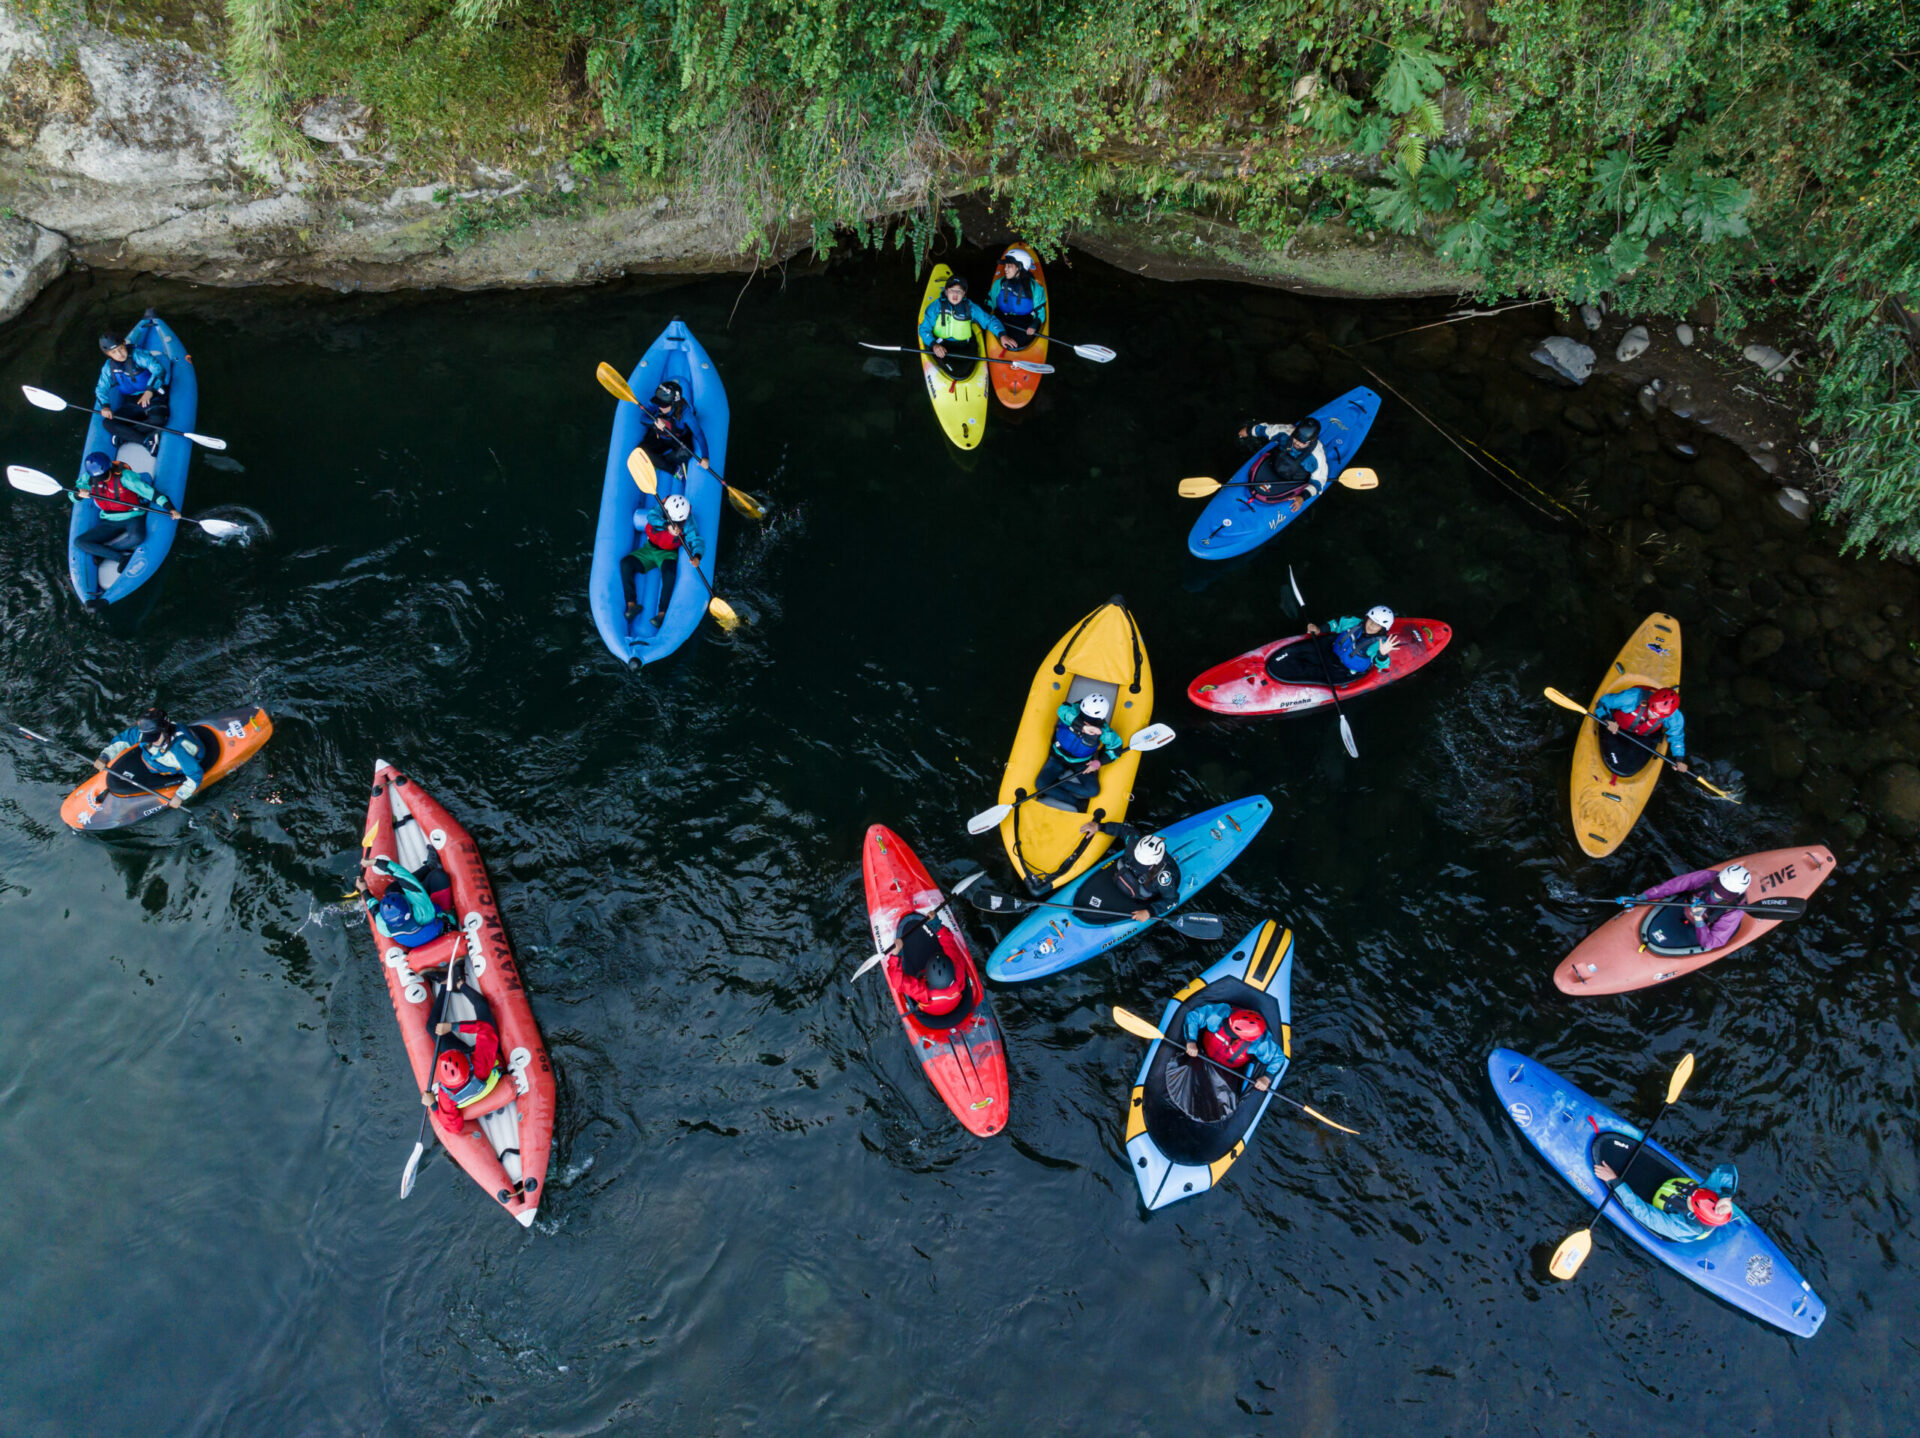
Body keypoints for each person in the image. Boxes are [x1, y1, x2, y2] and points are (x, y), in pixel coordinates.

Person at [70, 450, 178, 611]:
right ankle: (120, 558)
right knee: (79, 542)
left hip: (132, 515)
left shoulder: (125, 477)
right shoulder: (90, 477)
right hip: (109, 519)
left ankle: (103, 551)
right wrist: (78, 495)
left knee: (138, 536)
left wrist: (170, 508)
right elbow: (73, 495)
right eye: (95, 478)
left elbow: (151, 493)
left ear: (108, 470)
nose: (97, 481)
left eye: (100, 477)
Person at [1592, 1155, 1739, 1242]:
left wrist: (1615, 1181)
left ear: (1695, 1213)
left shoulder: (1681, 1227)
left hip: (1658, 1206)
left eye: (1690, 1199)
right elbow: (1727, 1169)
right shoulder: (1713, 1194)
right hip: (1668, 1186)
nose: (1690, 1194)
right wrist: (1726, 1195)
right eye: (1695, 1192)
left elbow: (1643, 1213)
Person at [427, 977, 504, 1135]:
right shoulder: (481, 1062)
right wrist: (453, 1027)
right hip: (483, 1064)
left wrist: (433, 1105)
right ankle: (459, 983)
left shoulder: (446, 1096)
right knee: (481, 1005)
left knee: (431, 1027)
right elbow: (485, 1028)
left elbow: (454, 1127)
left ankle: (444, 984)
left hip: (472, 1068)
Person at [1071, 822, 1182, 925]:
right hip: (1127, 877)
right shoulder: (1134, 841)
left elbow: (1172, 899)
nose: (1138, 865)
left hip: (1141, 893)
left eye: (1143, 864)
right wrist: (1099, 827)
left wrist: (1150, 912)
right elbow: (1123, 829)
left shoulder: (1163, 877)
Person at [622, 491, 704, 625]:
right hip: (649, 549)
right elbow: (651, 516)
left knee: (669, 574)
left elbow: (696, 540)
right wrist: (667, 526)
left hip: (668, 553)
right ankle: (631, 604)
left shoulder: (688, 522)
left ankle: (661, 614)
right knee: (626, 564)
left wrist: (697, 556)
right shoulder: (664, 505)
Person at [95, 706, 203, 807]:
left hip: (173, 769)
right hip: (153, 761)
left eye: (154, 737)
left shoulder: (179, 750)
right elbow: (123, 740)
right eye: (148, 736)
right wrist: (105, 757)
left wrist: (180, 796)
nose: (150, 740)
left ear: (165, 730)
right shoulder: (147, 730)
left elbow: (195, 775)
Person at [1266, 606, 1401, 684]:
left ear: (1382, 629)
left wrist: (1382, 654)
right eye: (1371, 621)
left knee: (1312, 673)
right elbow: (1336, 624)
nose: (1372, 626)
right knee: (1302, 652)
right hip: (1331, 650)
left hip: (1344, 671)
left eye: (1377, 625)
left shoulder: (1378, 645)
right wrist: (1319, 629)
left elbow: (1383, 665)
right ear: (1366, 619)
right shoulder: (1353, 622)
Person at [1636, 863, 1752, 953]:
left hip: (1701, 931)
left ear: (1736, 894)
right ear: (1717, 878)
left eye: (1725, 893)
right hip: (1683, 909)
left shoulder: (1734, 911)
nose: (1718, 894)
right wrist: (1644, 896)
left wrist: (1699, 920)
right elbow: (1672, 886)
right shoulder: (1706, 877)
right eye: (1718, 888)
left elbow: (1711, 942)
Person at [1034, 693, 1124, 808]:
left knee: (1092, 791)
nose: (1086, 721)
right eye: (1083, 716)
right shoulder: (1072, 711)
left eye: (1090, 720)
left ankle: (1056, 784)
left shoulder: (1104, 732)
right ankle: (1076, 803)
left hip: (1082, 762)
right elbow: (1062, 710)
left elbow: (1116, 748)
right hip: (1057, 756)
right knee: (1040, 784)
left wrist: (1098, 763)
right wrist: (1083, 726)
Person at [94, 328, 171, 452]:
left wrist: (149, 391)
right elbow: (100, 389)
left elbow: (158, 370)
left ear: (124, 344)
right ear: (108, 354)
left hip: (153, 396)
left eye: (120, 349)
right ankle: (145, 441)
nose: (119, 354)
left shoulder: (138, 355)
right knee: (107, 424)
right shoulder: (108, 367)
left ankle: (124, 437)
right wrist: (105, 406)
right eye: (114, 352)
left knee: (159, 420)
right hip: (132, 402)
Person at [358, 855, 455, 951]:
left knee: (391, 890)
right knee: (438, 876)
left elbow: (373, 908)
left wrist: (363, 889)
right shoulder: (422, 910)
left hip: (418, 938)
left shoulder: (384, 927)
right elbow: (404, 877)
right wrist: (375, 862)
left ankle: (429, 867)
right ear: (409, 905)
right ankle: (431, 866)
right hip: (435, 920)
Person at [883, 911, 969, 1018]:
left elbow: (897, 984)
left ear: (926, 975)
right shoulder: (958, 975)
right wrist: (937, 926)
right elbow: (951, 946)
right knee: (954, 952)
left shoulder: (921, 992)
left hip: (930, 1010)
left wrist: (896, 955)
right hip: (952, 1005)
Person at [917, 274, 1005, 376]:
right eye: (951, 290)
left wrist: (1002, 334)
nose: (955, 294)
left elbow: (989, 320)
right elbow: (924, 329)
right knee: (955, 370)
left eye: (959, 291)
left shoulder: (970, 308)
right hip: (941, 345)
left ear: (964, 293)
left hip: (964, 346)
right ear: (946, 291)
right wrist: (934, 345)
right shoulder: (936, 307)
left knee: (963, 371)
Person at [1592, 684, 1688, 777]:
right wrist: (1607, 719)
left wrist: (1679, 759)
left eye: (1656, 715)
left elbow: (1677, 736)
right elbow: (1603, 702)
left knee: (1629, 766)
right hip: (1617, 728)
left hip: (1642, 738)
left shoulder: (1674, 716)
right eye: (1651, 711)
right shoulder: (1633, 697)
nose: (1651, 716)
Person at [1235, 416, 1328, 510]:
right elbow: (1267, 430)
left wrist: (1302, 497)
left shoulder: (1317, 457)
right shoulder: (1286, 432)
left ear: (1311, 441)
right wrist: (1249, 431)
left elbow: (1319, 483)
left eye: (1302, 442)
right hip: (1274, 466)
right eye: (1296, 438)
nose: (1297, 443)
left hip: (1292, 480)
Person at [634, 379, 709, 480]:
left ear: (674, 403)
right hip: (659, 436)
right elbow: (642, 418)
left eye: (664, 405)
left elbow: (699, 434)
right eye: (659, 404)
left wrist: (705, 457)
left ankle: (665, 465)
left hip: (678, 439)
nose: (660, 407)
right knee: (639, 451)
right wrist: (654, 421)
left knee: (686, 452)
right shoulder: (655, 402)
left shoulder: (686, 413)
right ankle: (668, 467)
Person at [986, 250, 1046, 351]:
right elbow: (990, 302)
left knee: (1018, 344)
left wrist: (1035, 325)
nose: (1005, 269)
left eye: (1009, 266)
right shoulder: (999, 283)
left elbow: (1040, 313)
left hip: (1023, 324)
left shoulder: (1035, 288)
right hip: (1001, 320)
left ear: (1020, 267)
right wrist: (985, 314)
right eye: (1005, 266)